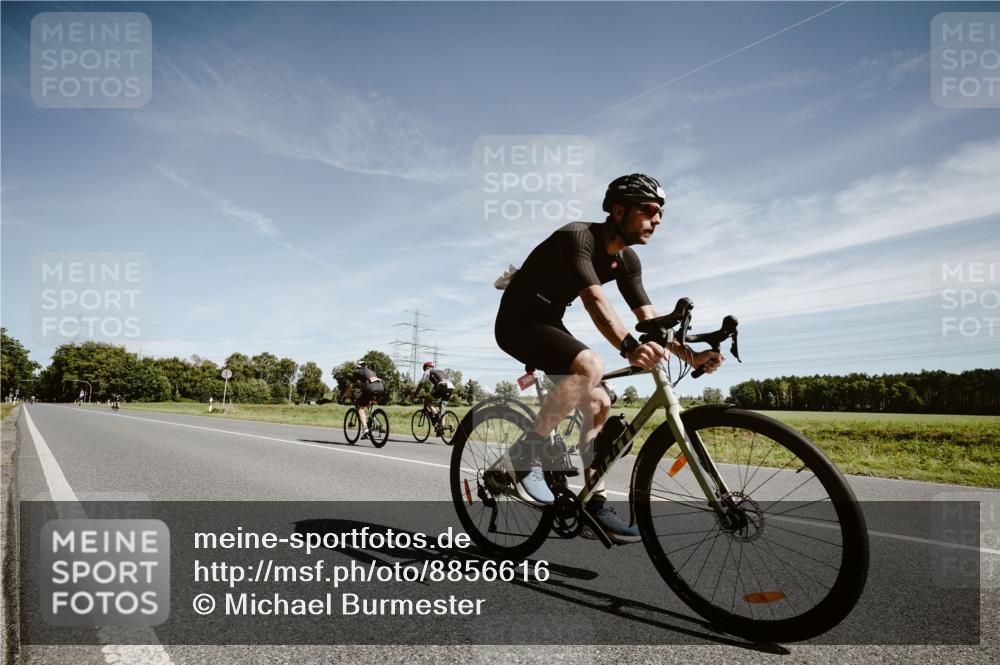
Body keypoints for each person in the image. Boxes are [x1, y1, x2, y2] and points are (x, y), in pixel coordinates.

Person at [494, 173, 724, 543]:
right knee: (591, 364)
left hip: (549, 321)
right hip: (518, 321)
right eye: (650, 210)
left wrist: (693, 356)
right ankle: (525, 454)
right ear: (619, 210)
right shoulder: (578, 238)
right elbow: (595, 302)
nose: (658, 219)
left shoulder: (628, 261)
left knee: (599, 400)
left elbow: (649, 321)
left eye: (661, 212)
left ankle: (593, 503)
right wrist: (630, 348)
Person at [343, 361, 385, 441]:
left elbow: (350, 386)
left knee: (360, 407)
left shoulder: (356, 372)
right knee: (368, 403)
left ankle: (365, 429)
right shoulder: (371, 371)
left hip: (370, 387)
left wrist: (345, 395)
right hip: (380, 387)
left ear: (358, 367)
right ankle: (373, 423)